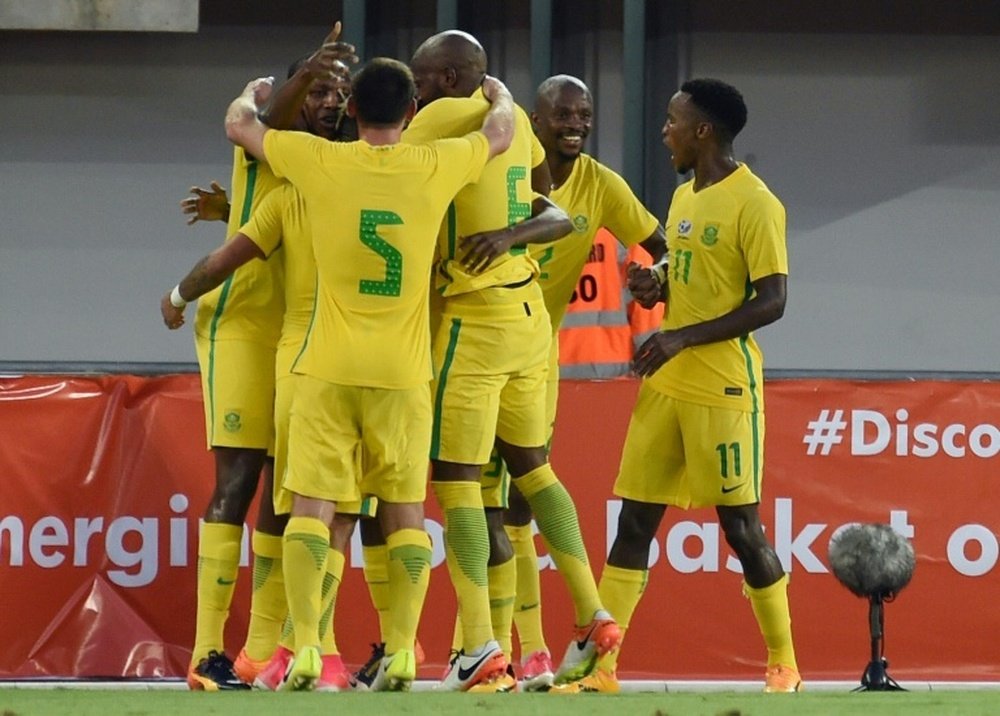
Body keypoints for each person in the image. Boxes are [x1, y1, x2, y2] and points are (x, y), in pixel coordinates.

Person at [223, 53, 515, 692]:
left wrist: (251, 90)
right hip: (404, 373)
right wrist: (498, 94)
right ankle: (406, 650)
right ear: (412, 114)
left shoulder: (319, 160)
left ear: (351, 110)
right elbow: (502, 134)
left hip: (324, 367)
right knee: (406, 508)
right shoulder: (435, 163)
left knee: (310, 506)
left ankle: (303, 647)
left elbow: (241, 126)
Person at [553, 78, 800, 694]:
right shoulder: (684, 195)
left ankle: (785, 663)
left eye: (672, 120)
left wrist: (684, 336)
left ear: (704, 131)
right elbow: (684, 268)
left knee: (742, 529)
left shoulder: (757, 203)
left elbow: (772, 301)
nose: (664, 130)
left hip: (722, 386)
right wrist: (656, 283)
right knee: (634, 522)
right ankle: (602, 671)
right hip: (666, 382)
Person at [403, 31, 621, 693]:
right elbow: (553, 212)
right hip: (530, 318)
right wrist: (507, 235)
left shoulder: (437, 121)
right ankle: (590, 611)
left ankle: (479, 646)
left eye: (421, 81)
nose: (416, 95)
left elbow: (382, 181)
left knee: (458, 477)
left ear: (444, 80)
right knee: (533, 469)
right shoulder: (511, 127)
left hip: (474, 319)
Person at [164, 31, 370, 692]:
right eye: (320, 90)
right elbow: (256, 117)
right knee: (239, 478)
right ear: (296, 90)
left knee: (295, 489)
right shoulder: (268, 128)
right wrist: (303, 72)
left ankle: (260, 652)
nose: (330, 102)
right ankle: (204, 654)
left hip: (304, 336)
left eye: (340, 92)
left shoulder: (341, 158)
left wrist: (233, 212)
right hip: (244, 325)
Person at [480, 73, 667, 690]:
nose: (575, 125)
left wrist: (658, 276)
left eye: (583, 115)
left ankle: (523, 652)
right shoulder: (500, 167)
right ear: (535, 120)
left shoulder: (603, 184)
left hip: (532, 354)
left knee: (510, 498)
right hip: (475, 344)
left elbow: (660, 245)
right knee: (492, 498)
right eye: (563, 115)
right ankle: (520, 647)